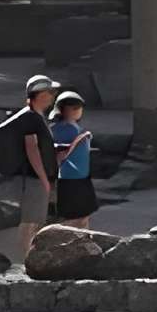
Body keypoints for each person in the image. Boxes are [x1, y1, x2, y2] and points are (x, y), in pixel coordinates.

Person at [0, 74, 60, 258]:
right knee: (31, 220)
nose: (53, 96)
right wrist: (44, 179)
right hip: (33, 177)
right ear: (40, 94)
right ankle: (24, 257)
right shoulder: (31, 118)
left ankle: (27, 255)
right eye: (50, 92)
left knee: (35, 220)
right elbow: (32, 149)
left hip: (35, 177)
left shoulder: (36, 116)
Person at [49, 92, 97, 229]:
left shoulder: (76, 129)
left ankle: (83, 243)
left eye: (78, 107)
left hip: (81, 177)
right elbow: (58, 153)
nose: (77, 110)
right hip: (70, 179)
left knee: (84, 216)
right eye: (73, 107)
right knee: (75, 218)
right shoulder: (60, 130)